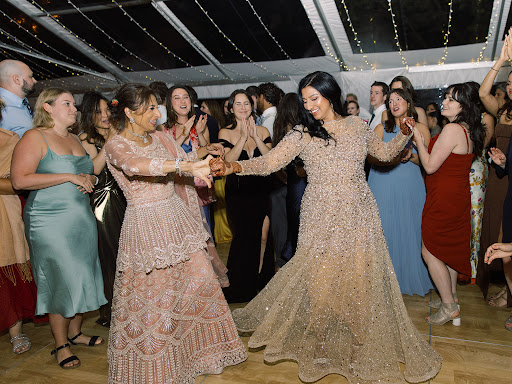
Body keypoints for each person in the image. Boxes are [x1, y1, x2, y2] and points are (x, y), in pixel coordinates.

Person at [210, 71, 442, 383]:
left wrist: (405, 134)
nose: (310, 105)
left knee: (360, 282)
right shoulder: (302, 133)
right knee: (319, 281)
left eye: (314, 99)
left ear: (329, 95)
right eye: (305, 101)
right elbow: (269, 163)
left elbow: (385, 154)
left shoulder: (358, 127)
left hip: (359, 215)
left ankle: (360, 346)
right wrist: (234, 166)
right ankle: (318, 343)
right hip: (319, 215)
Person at [104, 83, 246, 383]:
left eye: (157, 106)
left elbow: (184, 160)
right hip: (146, 226)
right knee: (160, 297)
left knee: (199, 284)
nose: (158, 113)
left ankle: (203, 354)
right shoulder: (117, 144)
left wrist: (203, 160)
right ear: (129, 113)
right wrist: (187, 164)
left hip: (176, 219)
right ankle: (162, 369)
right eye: (150, 109)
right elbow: (135, 166)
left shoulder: (160, 137)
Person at [10, 88, 106, 369]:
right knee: (59, 278)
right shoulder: (35, 137)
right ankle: (61, 344)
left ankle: (75, 332)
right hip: (49, 219)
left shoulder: (75, 138)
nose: (74, 108)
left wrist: (87, 176)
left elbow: (89, 174)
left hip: (80, 218)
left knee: (82, 272)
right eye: (67, 103)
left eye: (74, 104)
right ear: (48, 107)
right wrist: (67, 175)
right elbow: (19, 180)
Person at [413, 83, 485, 325]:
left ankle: (449, 306)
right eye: (446, 97)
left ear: (463, 106)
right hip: (455, 196)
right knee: (449, 251)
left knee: (430, 250)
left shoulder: (453, 129)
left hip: (444, 198)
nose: (444, 102)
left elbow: (431, 165)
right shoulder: (467, 129)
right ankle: (451, 295)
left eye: (452, 99)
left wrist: (418, 141)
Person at [368, 88, 433, 296]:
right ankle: (385, 281)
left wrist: (410, 156)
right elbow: (372, 157)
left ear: (408, 102)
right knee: (384, 229)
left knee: (410, 227)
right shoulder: (380, 128)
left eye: (399, 99)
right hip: (383, 181)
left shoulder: (420, 127)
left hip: (410, 183)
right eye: (391, 101)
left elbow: (428, 161)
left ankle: (409, 277)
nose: (394, 103)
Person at [218, 89, 274, 303]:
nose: (243, 108)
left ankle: (261, 280)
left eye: (246, 104)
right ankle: (243, 284)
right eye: (238, 104)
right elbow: (226, 163)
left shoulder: (262, 129)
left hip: (261, 189)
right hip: (238, 193)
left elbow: (270, 160)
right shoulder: (225, 133)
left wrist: (255, 138)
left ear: (252, 107)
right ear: (231, 108)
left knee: (263, 237)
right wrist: (242, 138)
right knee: (243, 238)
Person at [78, 91, 126, 327]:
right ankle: (112, 311)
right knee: (111, 257)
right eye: (98, 111)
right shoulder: (86, 138)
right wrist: (110, 139)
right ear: (90, 115)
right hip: (103, 203)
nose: (106, 115)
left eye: (108, 109)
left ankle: (132, 307)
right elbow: (93, 170)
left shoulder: (120, 135)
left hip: (126, 198)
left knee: (128, 256)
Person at [0, 98, 43, 355]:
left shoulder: (8, 141)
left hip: (4, 212)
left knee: (7, 274)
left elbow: (17, 183)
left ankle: (16, 332)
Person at [477, 31, 512, 309]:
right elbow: (482, 92)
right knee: (500, 231)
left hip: (509, 175)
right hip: (500, 175)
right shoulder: (503, 110)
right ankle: (507, 290)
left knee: (507, 235)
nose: (510, 87)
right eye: (509, 83)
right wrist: (501, 60)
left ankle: (510, 294)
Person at [163, 85, 215, 231]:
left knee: (203, 231)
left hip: (198, 187)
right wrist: (184, 133)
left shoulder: (200, 124)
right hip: (176, 187)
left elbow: (207, 151)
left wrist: (200, 133)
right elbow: (167, 156)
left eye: (185, 97)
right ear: (170, 104)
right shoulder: (164, 129)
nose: (182, 101)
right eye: (177, 98)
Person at [272, 93, 305, 267]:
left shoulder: (281, 129)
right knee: (301, 227)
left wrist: (286, 179)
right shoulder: (300, 131)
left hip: (293, 184)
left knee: (295, 226)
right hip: (301, 184)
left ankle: (291, 260)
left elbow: (276, 164)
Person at [466, 81, 495, 279]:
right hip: (460, 170)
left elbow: (479, 147)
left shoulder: (486, 118)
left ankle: (474, 267)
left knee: (476, 217)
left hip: (476, 169)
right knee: (462, 217)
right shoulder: (462, 119)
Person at [0, 60, 37, 137]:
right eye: (30, 76)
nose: (35, 81)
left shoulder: (24, 103)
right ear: (17, 79)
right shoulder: (2, 108)